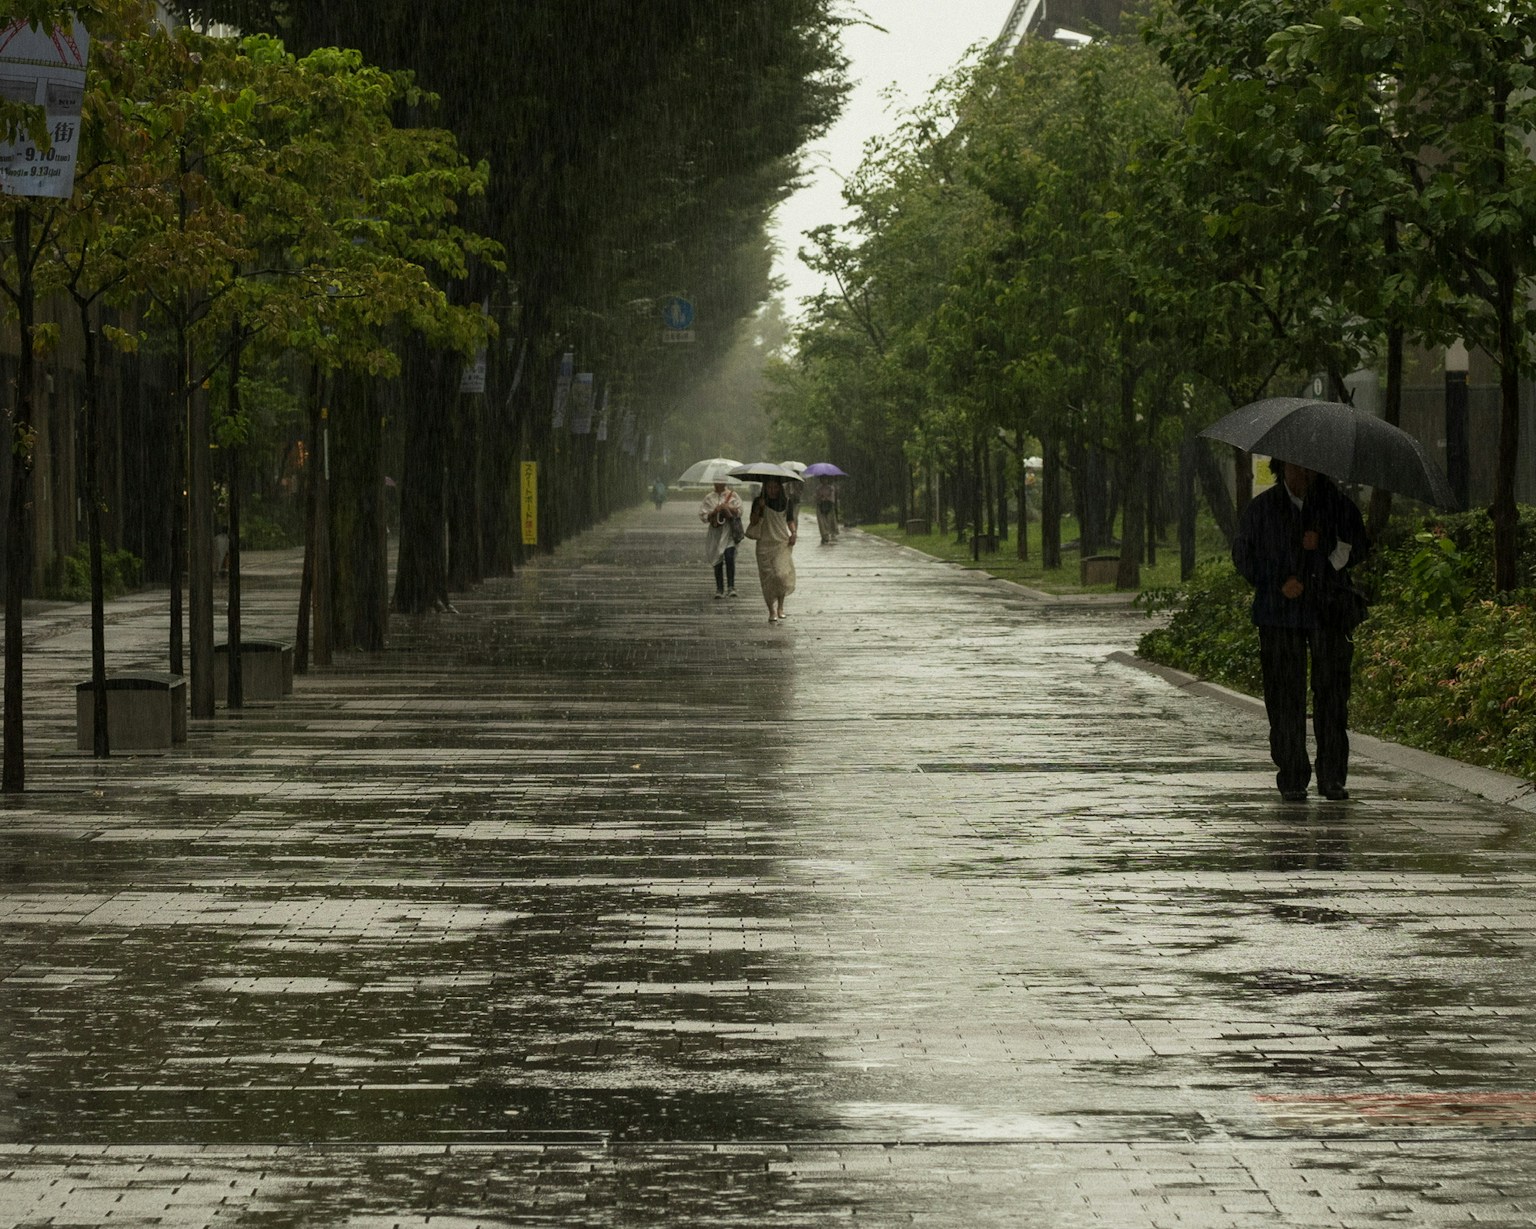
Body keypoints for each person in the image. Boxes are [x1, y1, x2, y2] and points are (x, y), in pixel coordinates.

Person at [1233, 460, 1370, 803]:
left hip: (1329, 611)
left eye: (1311, 470)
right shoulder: (1263, 509)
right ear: (1282, 470)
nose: (1304, 476)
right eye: (1296, 469)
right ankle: (1292, 775)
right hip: (1278, 615)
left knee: (1333, 695)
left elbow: (1357, 547)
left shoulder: (1336, 504)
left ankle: (1332, 777)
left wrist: (1322, 546)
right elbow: (1244, 555)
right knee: (1284, 697)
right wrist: (1277, 582)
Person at [748, 476, 797, 623]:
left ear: (779, 488)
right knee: (768, 578)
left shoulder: (786, 502)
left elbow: (790, 520)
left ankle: (781, 606)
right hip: (764, 544)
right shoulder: (758, 501)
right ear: (765, 487)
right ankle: (771, 610)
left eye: (775, 487)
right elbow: (753, 521)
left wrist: (793, 533)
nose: (772, 490)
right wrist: (759, 508)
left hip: (781, 543)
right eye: (769, 487)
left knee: (781, 575)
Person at [698, 479, 743, 598]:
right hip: (715, 533)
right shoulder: (709, 498)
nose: (719, 484)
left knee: (729, 556)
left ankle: (731, 586)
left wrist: (728, 508)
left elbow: (739, 512)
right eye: (716, 481)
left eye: (721, 481)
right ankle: (719, 588)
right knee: (717, 560)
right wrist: (714, 512)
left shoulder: (733, 495)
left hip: (729, 533)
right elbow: (703, 516)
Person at [815, 478, 839, 544]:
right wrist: (820, 497)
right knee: (822, 522)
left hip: (829, 506)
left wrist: (827, 498)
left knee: (830, 521)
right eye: (823, 478)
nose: (825, 480)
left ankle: (830, 533)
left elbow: (832, 497)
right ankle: (824, 535)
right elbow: (816, 497)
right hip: (821, 506)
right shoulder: (818, 488)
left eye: (826, 478)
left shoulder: (831, 488)